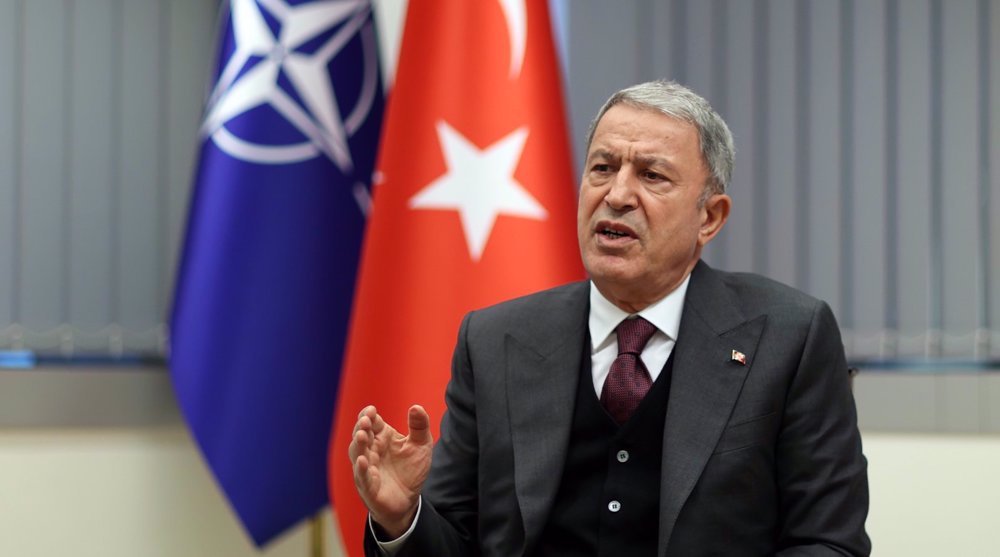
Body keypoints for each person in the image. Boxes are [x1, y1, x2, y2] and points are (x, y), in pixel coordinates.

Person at [348, 80, 871, 556]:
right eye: (602, 168)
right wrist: (403, 519)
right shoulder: (495, 340)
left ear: (709, 217)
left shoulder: (789, 338)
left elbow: (827, 543)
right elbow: (457, 542)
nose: (617, 195)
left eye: (652, 175)